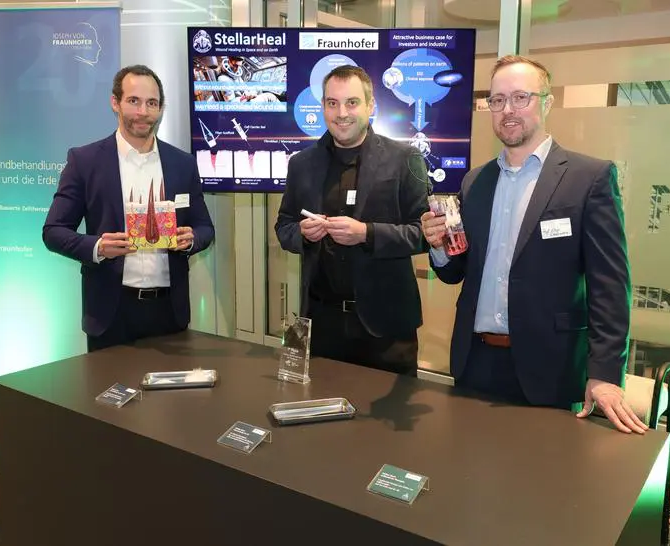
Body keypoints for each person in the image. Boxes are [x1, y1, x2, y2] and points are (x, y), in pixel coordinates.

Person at [421, 55, 647, 434]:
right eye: (497, 100)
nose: (508, 110)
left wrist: (605, 374)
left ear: (547, 102)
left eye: (520, 97)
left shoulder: (588, 178)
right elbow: (456, 272)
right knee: (466, 464)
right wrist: (440, 247)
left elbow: (610, 287)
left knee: (545, 468)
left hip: (551, 368)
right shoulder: (475, 183)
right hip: (474, 363)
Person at [43, 64, 214, 352]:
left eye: (152, 103)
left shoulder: (183, 164)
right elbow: (53, 231)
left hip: (169, 314)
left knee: (170, 385)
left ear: (160, 108)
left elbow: (205, 227)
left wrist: (191, 239)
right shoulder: (85, 161)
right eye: (134, 101)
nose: (143, 112)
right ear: (115, 102)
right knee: (108, 384)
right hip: (111, 313)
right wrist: (98, 247)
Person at [275, 65, 430, 377]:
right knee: (321, 406)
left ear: (370, 106)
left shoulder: (404, 159)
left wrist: (366, 234)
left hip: (386, 330)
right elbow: (284, 226)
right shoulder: (302, 164)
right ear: (322, 107)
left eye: (352, 103)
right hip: (322, 324)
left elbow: (424, 234)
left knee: (385, 410)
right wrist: (303, 233)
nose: (341, 113)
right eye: (332, 103)